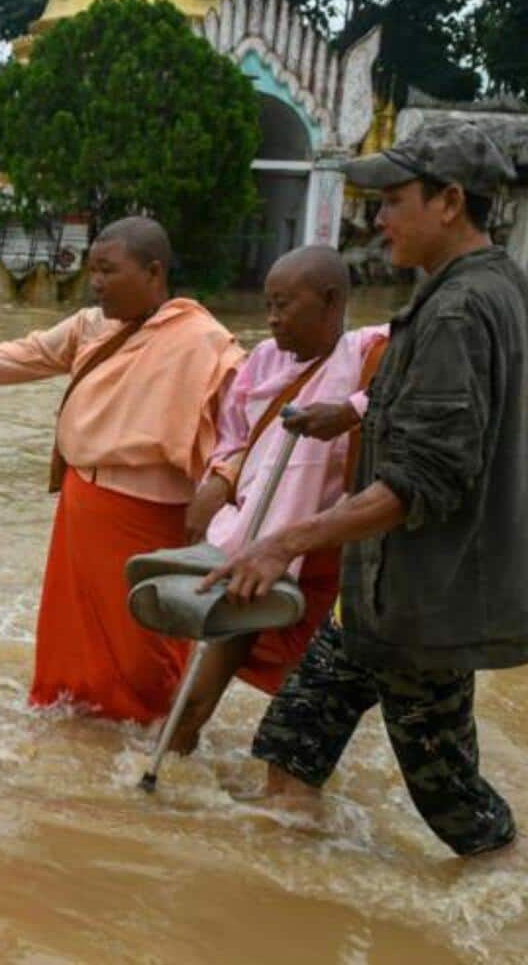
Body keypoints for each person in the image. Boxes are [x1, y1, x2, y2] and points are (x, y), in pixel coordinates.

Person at [203, 120, 528, 856]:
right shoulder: (525, 298)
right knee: (291, 749)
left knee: (459, 812)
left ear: (450, 201)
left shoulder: (457, 312)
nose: (379, 220)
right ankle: (293, 905)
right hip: (389, 596)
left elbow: (418, 482)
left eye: (394, 200)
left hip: (423, 609)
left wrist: (284, 541)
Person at [0, 218, 244, 723]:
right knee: (72, 640)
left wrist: (222, 482)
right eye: (92, 271)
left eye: (108, 270)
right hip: (83, 501)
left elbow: (244, 427)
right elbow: (18, 356)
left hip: (157, 517)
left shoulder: (206, 342)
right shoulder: (91, 327)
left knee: (147, 650)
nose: (96, 283)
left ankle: (155, 737)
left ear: (153, 272)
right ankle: (76, 734)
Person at [164, 246, 388, 755]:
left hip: (331, 556)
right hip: (258, 546)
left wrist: (348, 411)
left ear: (330, 301)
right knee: (196, 695)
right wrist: (219, 482)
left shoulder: (373, 351)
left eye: (283, 305)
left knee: (310, 707)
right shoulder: (263, 361)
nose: (271, 319)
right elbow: (233, 438)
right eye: (267, 304)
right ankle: (168, 775)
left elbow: (412, 392)